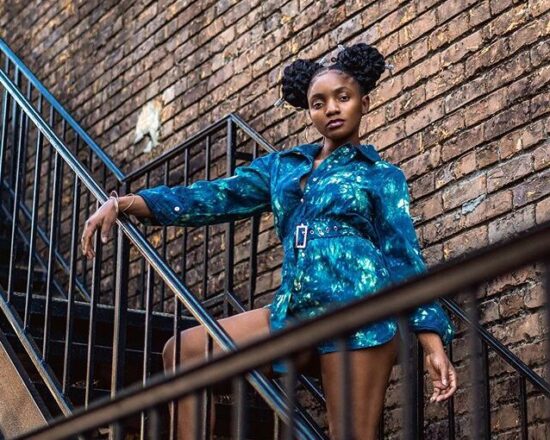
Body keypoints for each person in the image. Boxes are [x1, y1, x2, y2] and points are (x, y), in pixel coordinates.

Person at [81, 42, 458, 440]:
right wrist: (127, 203)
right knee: (187, 351)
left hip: (359, 315)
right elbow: (216, 196)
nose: (331, 109)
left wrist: (432, 342)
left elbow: (404, 257)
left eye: (342, 98)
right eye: (318, 103)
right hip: (293, 312)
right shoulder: (283, 167)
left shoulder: (381, 175)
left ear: (363, 103)